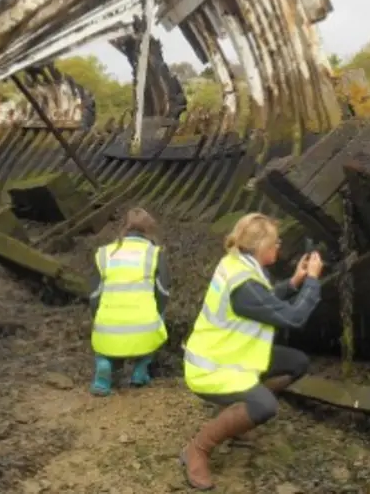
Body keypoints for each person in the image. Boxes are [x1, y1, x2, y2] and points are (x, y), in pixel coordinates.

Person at [179, 213, 324, 490]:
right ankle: (197, 450)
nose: (278, 247)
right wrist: (313, 282)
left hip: (234, 355)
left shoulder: (238, 264)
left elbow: (263, 302)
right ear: (260, 248)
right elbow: (294, 318)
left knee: (297, 363)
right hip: (212, 368)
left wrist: (294, 283)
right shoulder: (243, 284)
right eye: (275, 243)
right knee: (264, 406)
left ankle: (237, 415)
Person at [88, 206, 171, 396]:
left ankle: (103, 367)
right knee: (159, 313)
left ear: (123, 227)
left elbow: (94, 295)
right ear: (149, 230)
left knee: (103, 321)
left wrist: (98, 317)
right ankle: (140, 370)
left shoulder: (104, 253)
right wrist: (157, 314)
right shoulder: (154, 253)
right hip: (144, 328)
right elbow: (163, 292)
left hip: (107, 328)